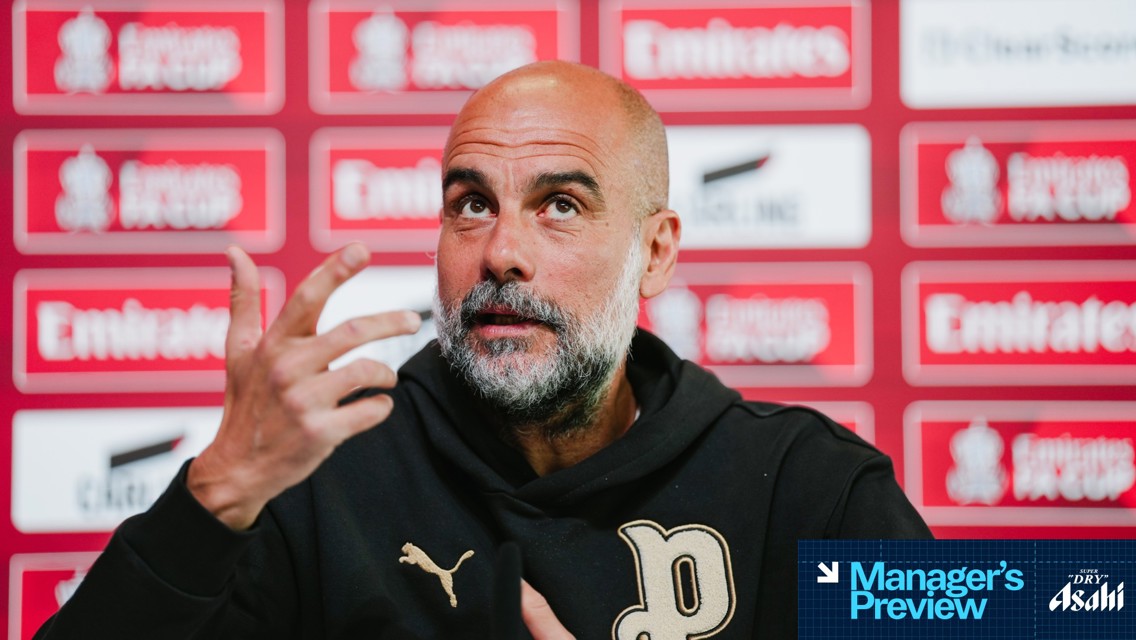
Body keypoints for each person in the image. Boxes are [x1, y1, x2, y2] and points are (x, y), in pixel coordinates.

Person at [35, 60, 930, 640]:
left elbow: (1069, 600)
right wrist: (217, 490)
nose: (501, 250)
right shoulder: (314, 482)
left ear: (655, 252)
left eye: (560, 205)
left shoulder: (813, 488)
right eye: (471, 203)